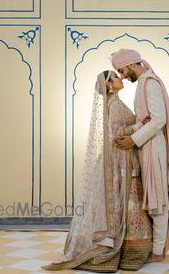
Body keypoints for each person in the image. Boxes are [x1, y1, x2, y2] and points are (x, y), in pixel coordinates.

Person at [42, 70, 152, 272]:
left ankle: (129, 251)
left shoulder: (114, 103)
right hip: (121, 161)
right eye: (116, 77)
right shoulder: (115, 104)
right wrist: (139, 125)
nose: (120, 78)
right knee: (126, 204)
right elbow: (117, 135)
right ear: (108, 85)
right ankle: (130, 252)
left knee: (124, 204)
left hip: (120, 159)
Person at [112, 49, 169, 263]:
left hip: (153, 148)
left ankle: (158, 253)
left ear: (131, 64)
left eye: (122, 70)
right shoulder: (142, 83)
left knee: (157, 200)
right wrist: (129, 133)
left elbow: (159, 120)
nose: (122, 76)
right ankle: (155, 248)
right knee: (150, 198)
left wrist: (133, 140)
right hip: (145, 147)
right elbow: (146, 119)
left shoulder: (150, 83)